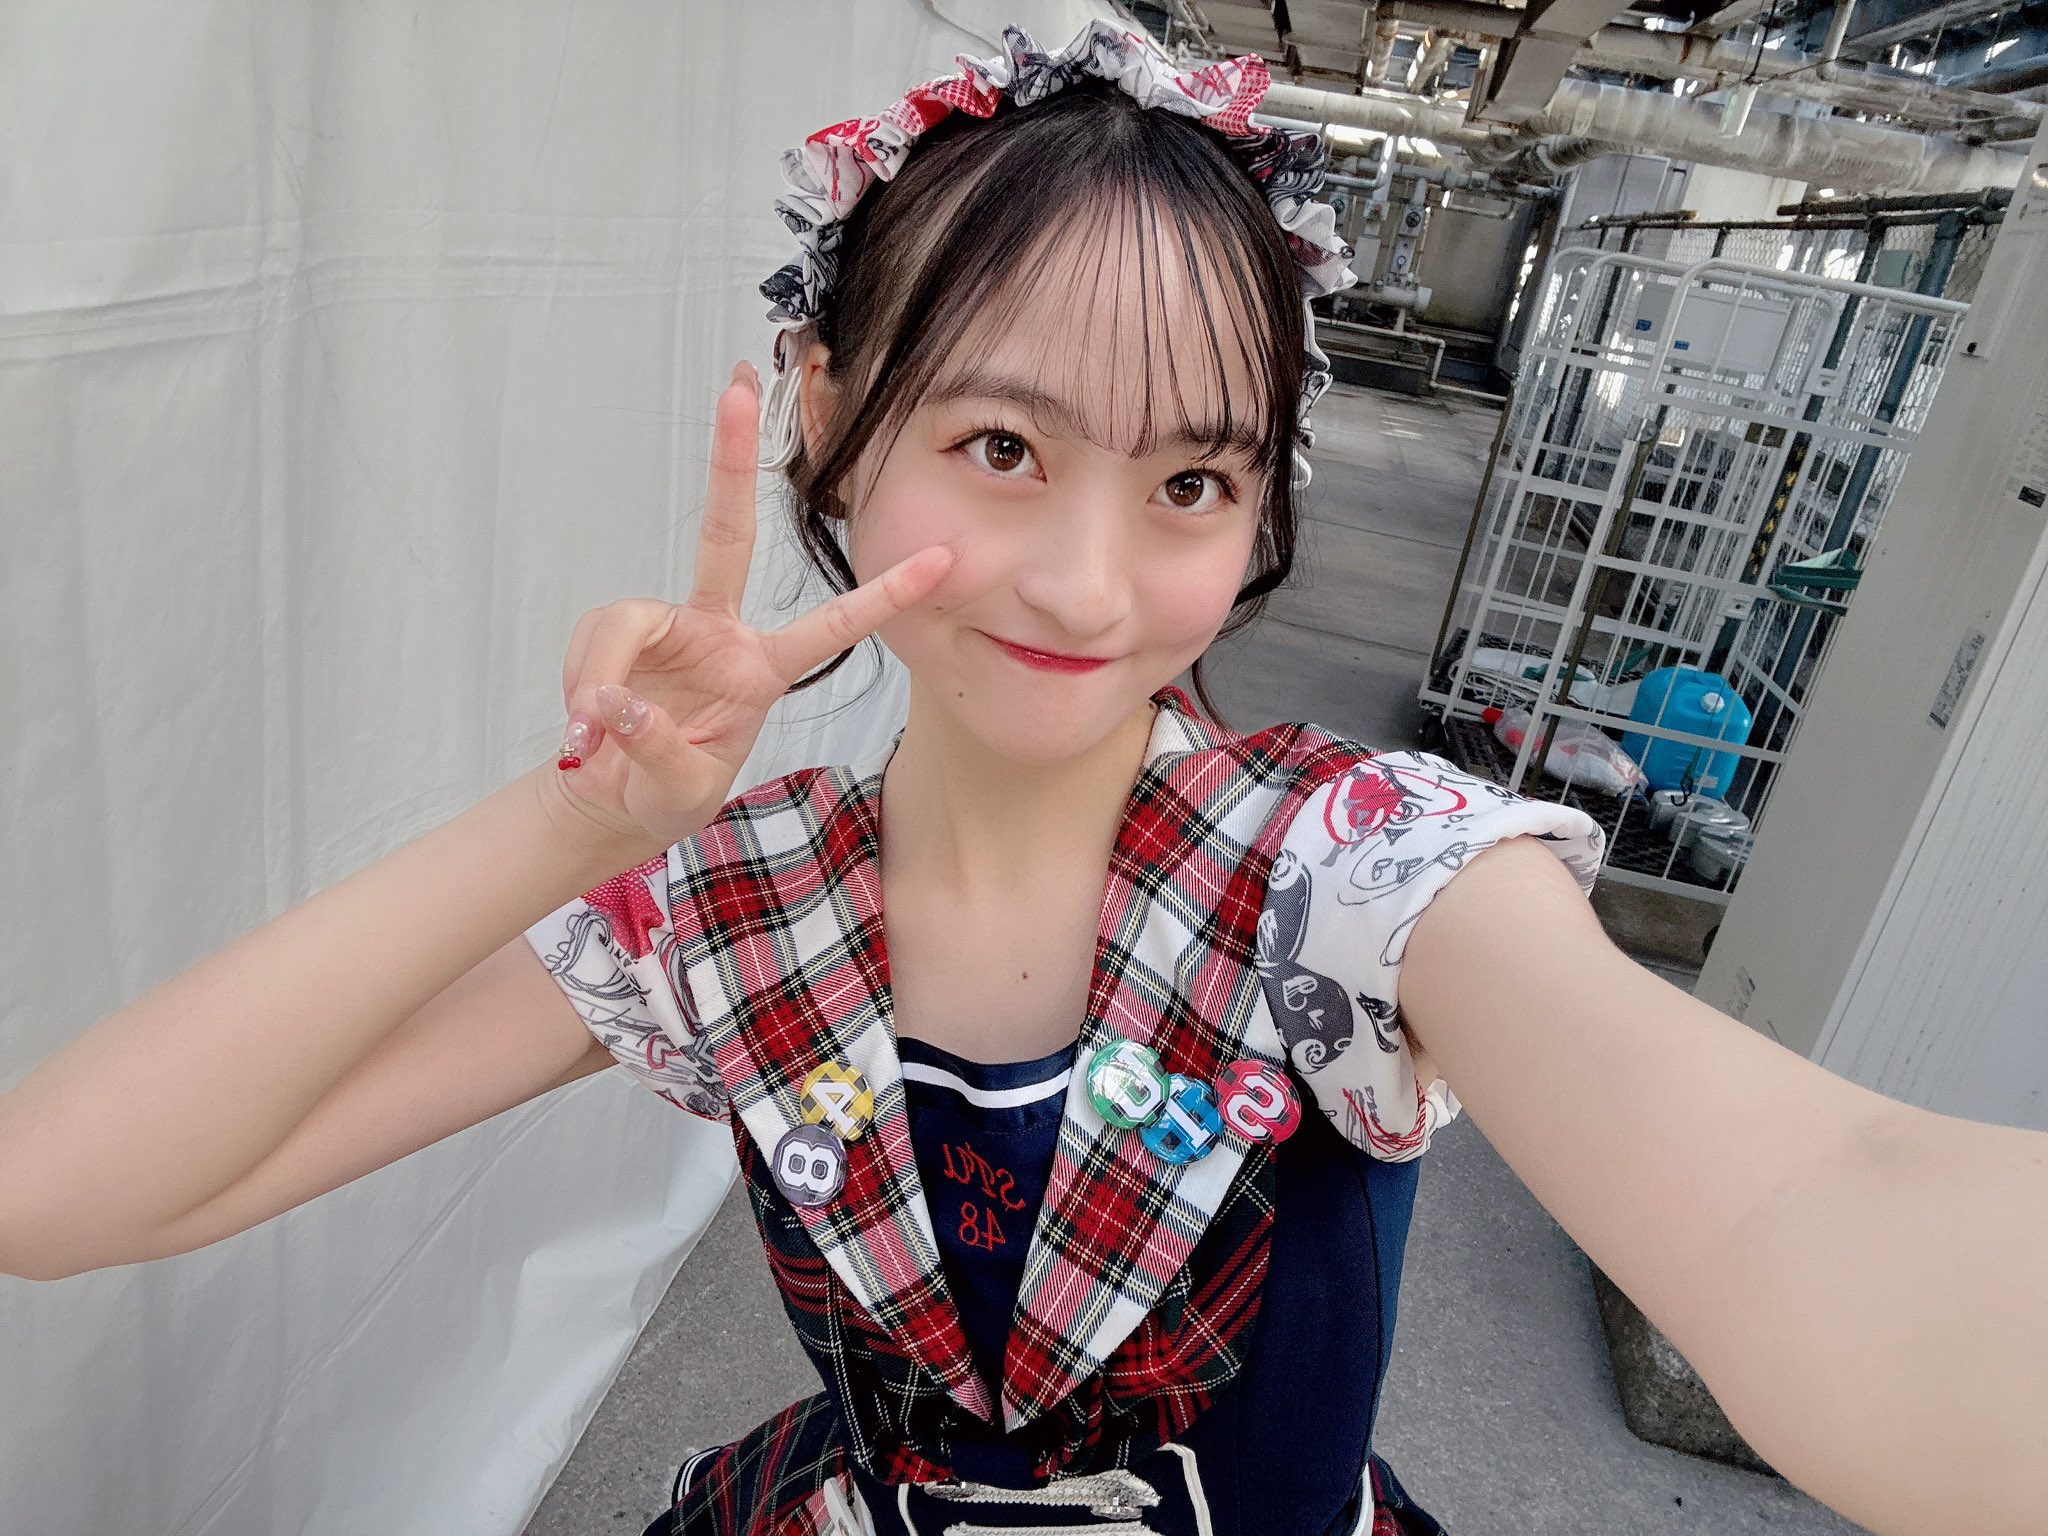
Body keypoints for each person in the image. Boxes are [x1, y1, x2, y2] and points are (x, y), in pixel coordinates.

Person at [0, 19, 2041, 1536]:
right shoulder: (741, 910)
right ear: (828, 419)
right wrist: (582, 821)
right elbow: (65, 1191)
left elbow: (1817, 1206)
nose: (1088, 579)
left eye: (1191, 481)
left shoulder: (1359, 883)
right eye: (1002, 447)